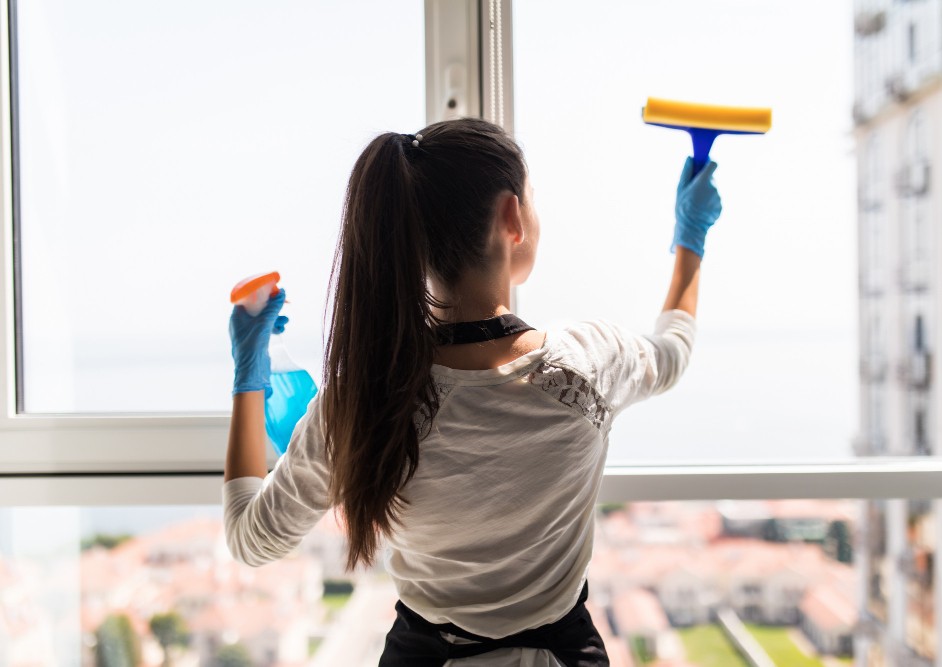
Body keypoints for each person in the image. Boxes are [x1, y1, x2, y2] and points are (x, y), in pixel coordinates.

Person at [224, 117, 722, 666]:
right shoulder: (588, 365)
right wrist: (690, 239)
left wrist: (249, 377)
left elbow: (250, 540)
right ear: (512, 216)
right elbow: (672, 351)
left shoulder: (361, 403)